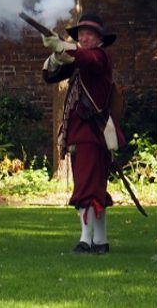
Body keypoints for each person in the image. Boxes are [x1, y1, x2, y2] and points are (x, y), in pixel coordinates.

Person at [40, 13, 121, 254]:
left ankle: (87, 240)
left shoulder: (100, 57)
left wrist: (65, 46)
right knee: (91, 186)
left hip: (92, 133)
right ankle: (99, 241)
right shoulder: (81, 60)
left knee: (88, 187)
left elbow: (86, 58)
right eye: (81, 33)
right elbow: (50, 76)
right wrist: (56, 54)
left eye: (89, 34)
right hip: (82, 134)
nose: (84, 37)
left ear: (100, 40)